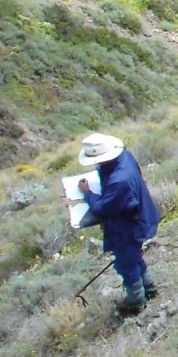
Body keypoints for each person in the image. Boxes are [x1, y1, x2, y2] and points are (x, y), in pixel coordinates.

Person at [68, 134, 161, 315]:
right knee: (133, 257)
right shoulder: (124, 157)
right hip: (137, 218)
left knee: (126, 263)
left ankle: (136, 301)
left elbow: (103, 208)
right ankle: (149, 289)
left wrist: (87, 194)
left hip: (128, 227)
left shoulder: (119, 181)